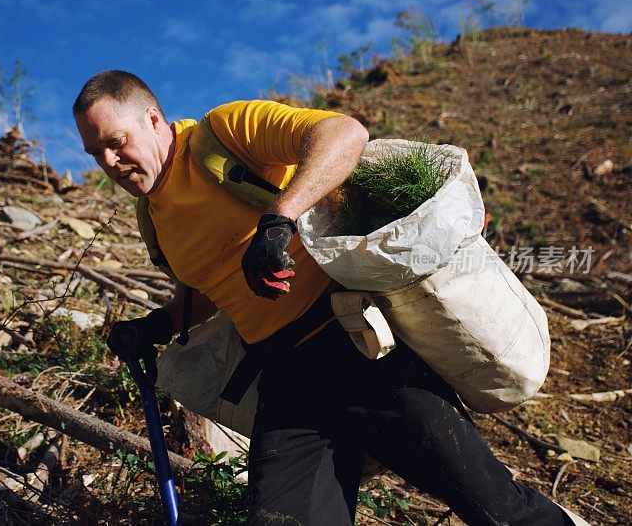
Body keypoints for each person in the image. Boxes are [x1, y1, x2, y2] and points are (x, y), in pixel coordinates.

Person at [73, 70, 582, 525]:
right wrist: (156, 327)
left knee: (495, 508)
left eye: (116, 143)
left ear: (154, 119)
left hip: (362, 347)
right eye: (96, 153)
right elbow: (208, 289)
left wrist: (280, 218)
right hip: (286, 382)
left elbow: (344, 133)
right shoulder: (153, 217)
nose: (110, 162)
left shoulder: (222, 133)